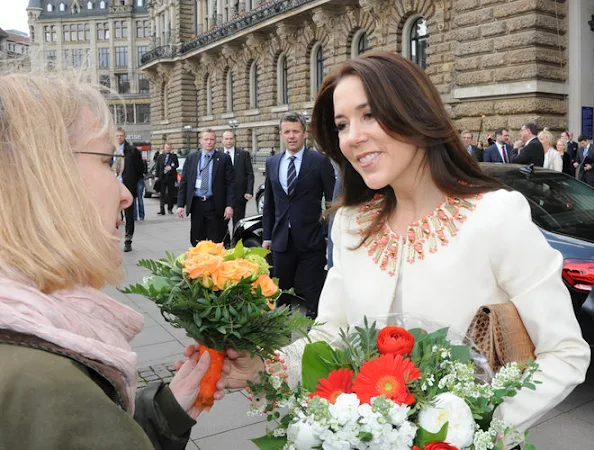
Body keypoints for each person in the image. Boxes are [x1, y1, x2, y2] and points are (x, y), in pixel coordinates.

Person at [218, 51, 590, 440]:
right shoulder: (350, 224)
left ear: (415, 112)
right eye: (342, 125)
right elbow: (330, 337)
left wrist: (471, 434)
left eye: (369, 115)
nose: (353, 137)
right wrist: (266, 367)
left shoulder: (495, 214)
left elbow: (565, 354)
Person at [0, 72, 223, 449]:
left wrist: (167, 409)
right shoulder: (47, 385)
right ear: (43, 175)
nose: (125, 195)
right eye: (106, 161)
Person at [262, 112, 335, 319]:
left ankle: (315, 339)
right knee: (282, 294)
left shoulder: (319, 162)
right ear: (281, 134)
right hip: (281, 242)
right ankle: (282, 342)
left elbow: (332, 201)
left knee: (314, 295)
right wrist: (267, 237)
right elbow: (269, 203)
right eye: (287, 132)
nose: (291, 136)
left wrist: (327, 231)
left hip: (311, 241)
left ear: (305, 134)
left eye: (295, 131)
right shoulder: (272, 163)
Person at [177, 129, 234, 245]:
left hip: (215, 205)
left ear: (215, 141)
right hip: (197, 204)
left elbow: (231, 184)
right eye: (206, 139)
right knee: (197, 241)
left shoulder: (223, 159)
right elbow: (184, 182)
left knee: (216, 241)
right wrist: (180, 205)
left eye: (212, 139)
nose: (209, 142)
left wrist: (229, 205)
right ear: (201, 141)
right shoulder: (192, 158)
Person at [116, 127, 144, 252]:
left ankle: (128, 239)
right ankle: (114, 238)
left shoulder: (132, 151)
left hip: (127, 186)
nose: (119, 138)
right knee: (113, 215)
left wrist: (132, 181)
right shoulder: (108, 151)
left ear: (125, 136)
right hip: (113, 187)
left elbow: (139, 169)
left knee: (129, 214)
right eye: (116, 136)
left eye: (121, 135)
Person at [221, 130, 254, 231]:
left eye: (231, 138)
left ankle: (236, 244)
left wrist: (249, 191)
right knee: (221, 225)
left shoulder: (243, 154)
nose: (229, 141)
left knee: (238, 224)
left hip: (239, 196)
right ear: (222, 140)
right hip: (222, 197)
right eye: (226, 139)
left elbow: (250, 174)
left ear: (234, 140)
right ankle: (225, 245)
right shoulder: (217, 155)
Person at [156, 143, 179, 215]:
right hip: (162, 177)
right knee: (162, 194)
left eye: (169, 148)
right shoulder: (160, 156)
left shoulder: (174, 156)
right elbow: (158, 166)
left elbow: (177, 165)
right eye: (166, 147)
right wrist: (157, 176)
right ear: (164, 148)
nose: (168, 149)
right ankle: (162, 210)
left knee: (170, 194)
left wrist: (171, 167)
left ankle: (170, 209)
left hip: (171, 177)